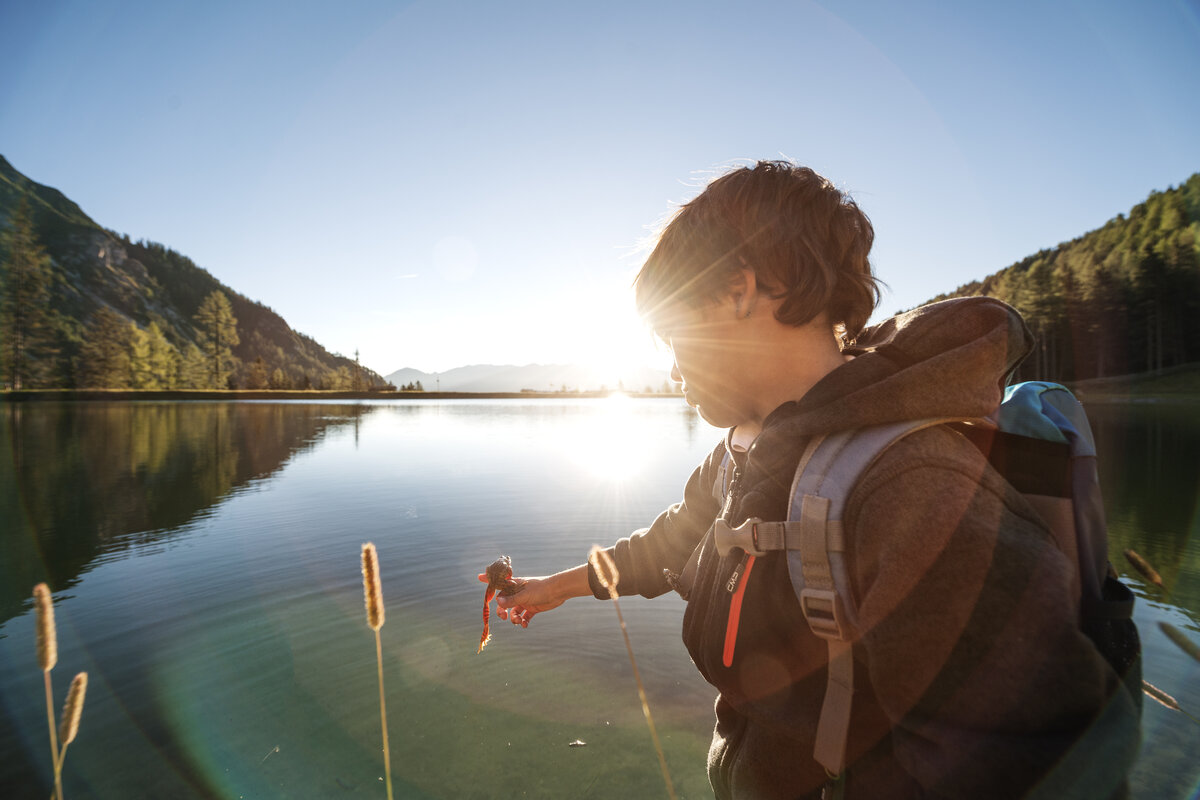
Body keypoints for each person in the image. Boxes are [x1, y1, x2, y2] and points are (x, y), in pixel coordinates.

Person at [482, 161, 1139, 799]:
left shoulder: (913, 487)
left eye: (670, 332)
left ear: (738, 291)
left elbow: (1037, 765)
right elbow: (670, 546)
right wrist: (555, 588)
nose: (672, 371)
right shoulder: (745, 449)